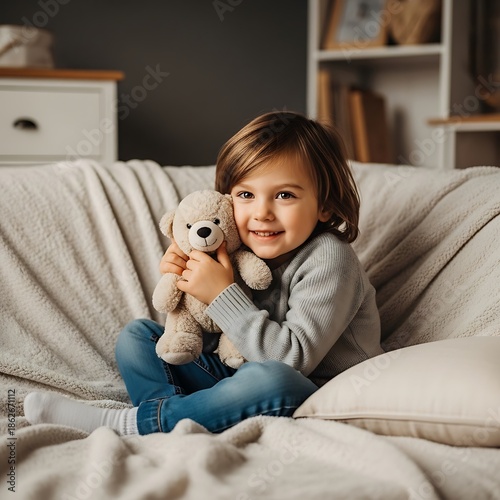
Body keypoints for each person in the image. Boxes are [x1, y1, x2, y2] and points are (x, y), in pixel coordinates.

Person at [24, 111, 383, 436]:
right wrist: (190, 292)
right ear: (226, 200)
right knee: (138, 338)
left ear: (324, 206)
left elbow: (291, 360)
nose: (262, 213)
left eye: (284, 195)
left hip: (314, 392)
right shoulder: (238, 250)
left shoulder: (330, 259)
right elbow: (220, 346)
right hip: (243, 374)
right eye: (245, 194)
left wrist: (222, 295)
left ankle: (136, 424)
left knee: (272, 378)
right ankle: (174, 420)